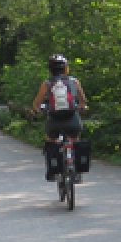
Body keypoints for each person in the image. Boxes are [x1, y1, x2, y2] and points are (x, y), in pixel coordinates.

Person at [31, 54, 90, 182]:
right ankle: (77, 170)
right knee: (75, 138)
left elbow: (36, 103)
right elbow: (83, 101)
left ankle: (52, 171)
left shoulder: (47, 83)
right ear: (66, 68)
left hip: (54, 120)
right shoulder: (74, 81)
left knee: (49, 139)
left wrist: (37, 110)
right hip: (72, 119)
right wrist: (82, 107)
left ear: (50, 69)